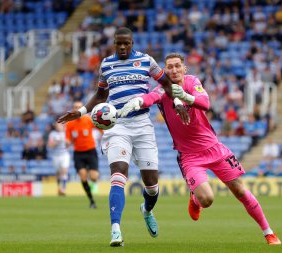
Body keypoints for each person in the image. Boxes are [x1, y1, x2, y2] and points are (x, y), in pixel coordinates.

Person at [118, 53, 282, 245]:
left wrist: (185, 96)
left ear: (184, 68)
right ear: (164, 71)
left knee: (239, 190)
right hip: (189, 156)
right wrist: (137, 102)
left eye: (177, 66)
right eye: (169, 67)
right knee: (207, 199)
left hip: (214, 148)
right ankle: (195, 198)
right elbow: (150, 98)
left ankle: (268, 232)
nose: (174, 70)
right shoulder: (163, 90)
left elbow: (205, 103)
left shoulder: (192, 82)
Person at [57, 27, 188, 247]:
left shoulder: (146, 61)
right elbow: (101, 94)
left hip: (143, 124)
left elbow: (165, 83)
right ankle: (115, 230)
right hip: (117, 125)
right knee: (118, 173)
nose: (123, 47)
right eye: (119, 43)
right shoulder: (106, 64)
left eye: (126, 43)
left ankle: (146, 209)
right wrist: (80, 113)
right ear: (114, 43)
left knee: (152, 186)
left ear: (132, 42)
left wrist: (177, 101)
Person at [65, 101, 102, 208]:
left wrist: (107, 136)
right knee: (83, 176)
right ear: (73, 109)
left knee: (94, 177)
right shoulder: (70, 123)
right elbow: (67, 138)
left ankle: (93, 182)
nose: (77, 109)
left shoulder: (88, 119)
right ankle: (91, 201)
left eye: (79, 107)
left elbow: (100, 128)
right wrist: (67, 142)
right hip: (78, 153)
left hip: (90, 151)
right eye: (75, 107)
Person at [47, 122, 70, 196]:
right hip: (56, 156)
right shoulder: (52, 134)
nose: (58, 126)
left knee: (64, 171)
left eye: (59, 124)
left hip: (64, 155)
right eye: (57, 125)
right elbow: (50, 145)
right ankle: (59, 188)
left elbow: (69, 143)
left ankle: (63, 189)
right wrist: (56, 142)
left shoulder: (66, 132)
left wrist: (67, 142)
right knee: (58, 173)